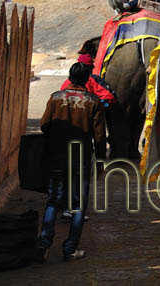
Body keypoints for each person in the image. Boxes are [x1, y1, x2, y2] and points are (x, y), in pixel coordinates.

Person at [36, 61, 107, 262]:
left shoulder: (55, 98)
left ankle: (44, 242)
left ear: (70, 76)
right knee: (78, 204)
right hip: (80, 159)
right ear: (87, 79)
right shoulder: (93, 101)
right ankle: (70, 248)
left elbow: (44, 125)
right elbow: (99, 136)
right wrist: (100, 161)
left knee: (53, 201)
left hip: (57, 158)